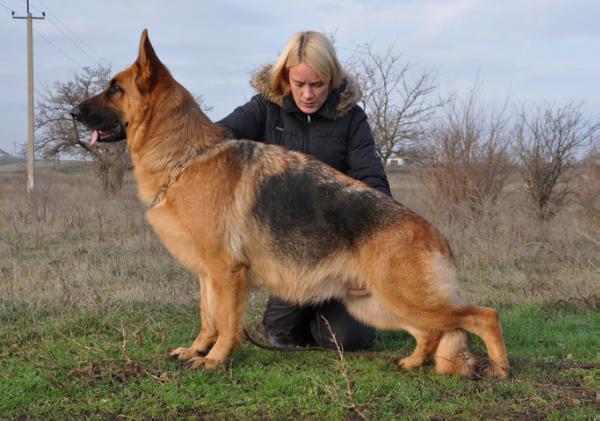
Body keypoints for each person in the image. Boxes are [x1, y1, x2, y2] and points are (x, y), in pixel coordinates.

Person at [217, 31, 392, 351]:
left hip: (342, 253)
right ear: (285, 78)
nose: (308, 94)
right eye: (299, 84)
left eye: (318, 84)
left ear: (333, 79)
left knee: (348, 341)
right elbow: (215, 139)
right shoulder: (263, 109)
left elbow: (374, 184)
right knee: (280, 334)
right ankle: (297, 313)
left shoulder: (352, 118)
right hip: (287, 253)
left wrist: (368, 259)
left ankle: (330, 314)